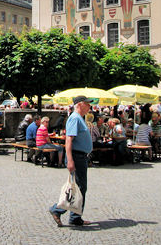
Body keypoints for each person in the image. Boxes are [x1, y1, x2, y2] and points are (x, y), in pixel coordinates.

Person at [49, 96, 93, 227]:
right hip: (77, 156)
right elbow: (69, 140)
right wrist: (70, 160)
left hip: (80, 156)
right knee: (78, 188)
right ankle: (57, 209)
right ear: (80, 105)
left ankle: (75, 216)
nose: (89, 107)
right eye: (87, 104)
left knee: (79, 187)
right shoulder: (75, 118)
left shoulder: (79, 118)